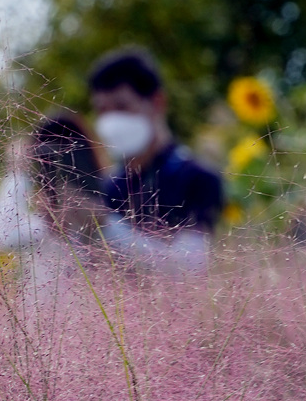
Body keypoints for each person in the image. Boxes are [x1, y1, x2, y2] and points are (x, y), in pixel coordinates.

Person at [88, 48, 223, 265]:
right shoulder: (109, 187)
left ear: (158, 102)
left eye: (122, 107)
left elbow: (190, 267)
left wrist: (105, 225)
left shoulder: (198, 179)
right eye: (103, 110)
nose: (111, 121)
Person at [0, 109, 109, 294]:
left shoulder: (112, 207)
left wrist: (101, 223)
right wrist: (19, 173)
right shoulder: (44, 227)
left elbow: (151, 259)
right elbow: (2, 236)